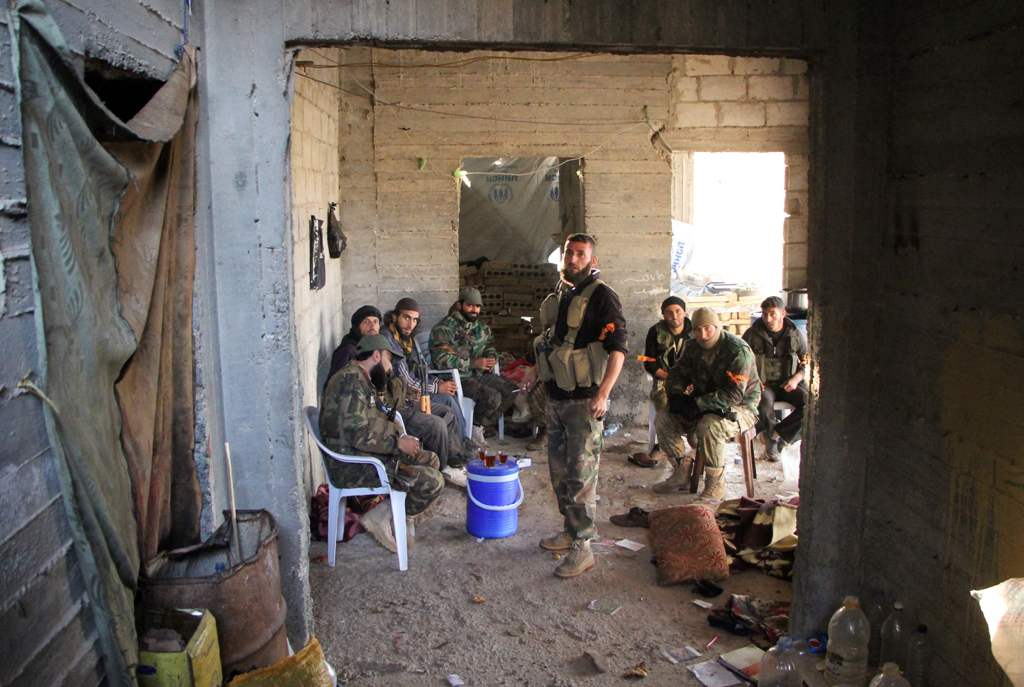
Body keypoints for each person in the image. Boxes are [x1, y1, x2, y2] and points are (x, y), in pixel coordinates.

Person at [534, 233, 627, 578]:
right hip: (557, 399)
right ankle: (570, 530)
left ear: (592, 259)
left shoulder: (603, 297)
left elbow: (618, 349)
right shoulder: (563, 293)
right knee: (559, 472)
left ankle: (583, 547)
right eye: (568, 253)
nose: (572, 259)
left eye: (579, 254)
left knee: (581, 476)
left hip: (585, 402)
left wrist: (603, 393)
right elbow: (552, 343)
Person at [320, 334, 444, 551]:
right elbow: (356, 432)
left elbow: (382, 416)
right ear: (376, 355)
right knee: (433, 481)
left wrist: (401, 439)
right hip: (352, 464)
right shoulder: (350, 382)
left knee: (430, 458)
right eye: (388, 360)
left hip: (365, 453)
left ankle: (400, 516)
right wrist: (397, 443)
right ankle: (381, 515)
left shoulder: (362, 379)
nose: (390, 367)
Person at [658, 307, 761, 500]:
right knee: (663, 418)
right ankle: (682, 470)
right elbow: (677, 373)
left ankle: (715, 486)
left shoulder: (738, 350)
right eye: (697, 330)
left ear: (717, 326)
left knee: (709, 426)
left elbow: (735, 394)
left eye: (708, 328)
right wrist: (676, 395)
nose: (703, 335)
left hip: (741, 407)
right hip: (704, 403)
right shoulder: (692, 346)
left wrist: (698, 404)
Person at [382, 297, 478, 485]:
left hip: (410, 396)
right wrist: (437, 387)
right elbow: (407, 381)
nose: (410, 324)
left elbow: (418, 372)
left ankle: (457, 456)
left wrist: (436, 382)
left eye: (415, 320)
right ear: (395, 317)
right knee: (440, 417)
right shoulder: (389, 339)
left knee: (447, 409)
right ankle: (444, 468)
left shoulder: (404, 339)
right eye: (406, 318)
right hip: (400, 404)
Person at [429, 286, 516, 435]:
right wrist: (473, 363)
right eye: (469, 305)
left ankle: (481, 425)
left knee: (512, 390)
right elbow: (440, 359)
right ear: (460, 305)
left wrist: (491, 357)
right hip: (457, 380)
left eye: (477, 306)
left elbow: (489, 345)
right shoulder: (444, 328)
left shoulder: (481, 328)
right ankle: (473, 429)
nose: (474, 310)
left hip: (479, 376)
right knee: (492, 397)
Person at [742, 296, 808, 461]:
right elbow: (740, 362)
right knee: (763, 404)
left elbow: (807, 361)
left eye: (772, 314)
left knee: (810, 404)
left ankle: (777, 434)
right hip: (764, 385)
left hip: (788, 383)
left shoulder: (795, 334)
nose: (768, 318)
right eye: (764, 314)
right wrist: (753, 382)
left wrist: (796, 379)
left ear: (783, 313)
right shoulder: (751, 334)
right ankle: (772, 439)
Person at [635, 296, 692, 469]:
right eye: (669, 312)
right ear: (663, 314)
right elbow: (647, 360)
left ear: (684, 312)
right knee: (664, 404)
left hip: (690, 381)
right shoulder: (656, 331)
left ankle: (692, 441)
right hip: (664, 380)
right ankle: (664, 445)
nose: (674, 316)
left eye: (678, 311)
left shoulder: (695, 330)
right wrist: (666, 375)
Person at [325, 305, 381, 388]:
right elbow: (335, 387)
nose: (372, 326)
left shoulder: (372, 346)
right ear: (357, 327)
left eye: (375, 321)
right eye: (366, 322)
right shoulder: (347, 351)